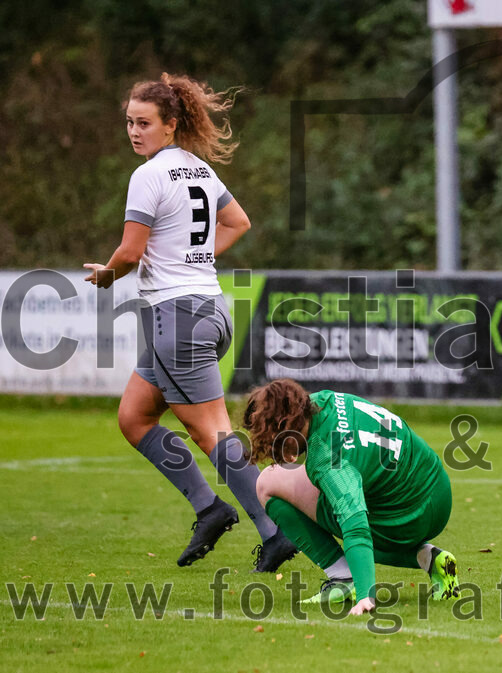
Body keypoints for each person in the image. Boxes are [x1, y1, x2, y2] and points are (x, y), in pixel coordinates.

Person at [83, 73, 296, 572]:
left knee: (213, 435)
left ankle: (276, 531)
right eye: (130, 123)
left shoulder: (149, 175)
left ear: (171, 124)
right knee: (134, 418)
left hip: (179, 319)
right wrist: (193, 258)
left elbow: (131, 253)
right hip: (208, 311)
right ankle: (209, 508)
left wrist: (108, 275)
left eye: (145, 123)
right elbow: (238, 222)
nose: (135, 132)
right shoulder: (196, 168)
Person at [244, 379, 460, 615]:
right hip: (437, 489)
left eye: (271, 435)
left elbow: (355, 524)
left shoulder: (327, 458)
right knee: (285, 482)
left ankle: (344, 578)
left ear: (285, 425)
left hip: (408, 515)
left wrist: (366, 594)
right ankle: (429, 559)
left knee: (268, 484)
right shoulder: (322, 400)